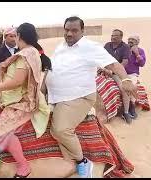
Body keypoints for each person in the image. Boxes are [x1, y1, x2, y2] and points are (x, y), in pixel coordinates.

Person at [44, 16, 136, 178]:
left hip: (78, 96)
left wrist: (126, 79)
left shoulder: (90, 47)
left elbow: (114, 64)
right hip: (57, 96)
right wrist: (43, 88)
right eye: (67, 30)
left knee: (60, 129)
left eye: (74, 30)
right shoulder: (61, 46)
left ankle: (83, 163)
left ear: (82, 31)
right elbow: (51, 68)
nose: (69, 34)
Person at [0, 23, 51, 178]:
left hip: (22, 103)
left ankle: (23, 166)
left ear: (20, 36)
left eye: (16, 35)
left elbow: (17, 81)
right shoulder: (31, 52)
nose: (14, 38)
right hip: (13, 98)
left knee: (2, 134)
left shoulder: (26, 54)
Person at [104, 29, 133, 123]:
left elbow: (124, 63)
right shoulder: (107, 45)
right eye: (112, 35)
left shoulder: (125, 47)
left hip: (117, 72)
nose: (113, 37)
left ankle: (126, 112)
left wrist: (112, 72)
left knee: (123, 87)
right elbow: (101, 58)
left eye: (116, 35)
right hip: (104, 70)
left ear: (121, 37)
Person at [124, 35, 146, 119]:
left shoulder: (141, 51)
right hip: (121, 73)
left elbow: (142, 64)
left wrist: (137, 53)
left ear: (137, 42)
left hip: (132, 74)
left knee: (132, 87)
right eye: (129, 39)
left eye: (133, 39)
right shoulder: (125, 49)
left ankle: (132, 106)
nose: (130, 40)